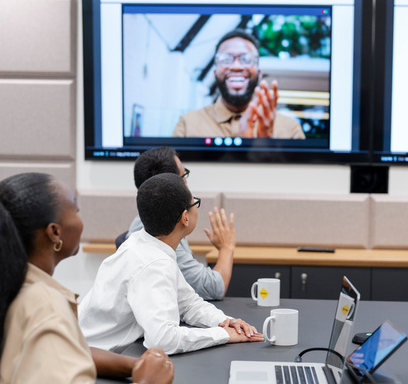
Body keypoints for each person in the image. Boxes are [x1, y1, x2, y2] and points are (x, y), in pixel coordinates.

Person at [0, 173, 174, 384]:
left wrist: (134, 365)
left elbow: (56, 351)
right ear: (54, 232)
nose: (80, 218)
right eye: (76, 209)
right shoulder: (41, 302)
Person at [79, 173, 264, 354]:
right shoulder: (154, 264)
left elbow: (188, 303)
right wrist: (222, 334)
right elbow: (163, 341)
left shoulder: (145, 242)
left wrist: (225, 321)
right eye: (195, 203)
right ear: (185, 218)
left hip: (85, 348)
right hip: (84, 360)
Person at [127, 146, 234, 300]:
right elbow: (213, 288)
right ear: (171, 186)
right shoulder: (158, 235)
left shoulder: (160, 221)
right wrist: (227, 247)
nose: (186, 184)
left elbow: (188, 301)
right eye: (184, 175)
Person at [173, 29, 305, 139]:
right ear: (215, 73)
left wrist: (267, 145)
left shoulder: (290, 130)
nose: (236, 66)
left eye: (246, 59)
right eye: (226, 59)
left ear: (259, 74)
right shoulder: (188, 125)